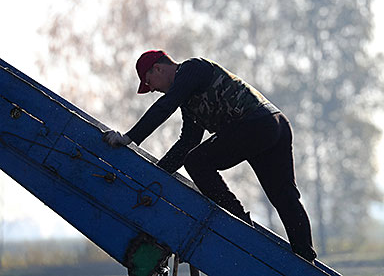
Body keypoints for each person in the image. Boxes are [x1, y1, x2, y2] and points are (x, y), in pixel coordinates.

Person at [103, 50, 317, 263]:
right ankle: (306, 258)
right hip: (273, 124)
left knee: (197, 161)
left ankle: (237, 221)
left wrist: (129, 138)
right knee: (284, 195)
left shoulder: (192, 68)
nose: (153, 90)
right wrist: (158, 174)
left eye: (150, 83)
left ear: (158, 68)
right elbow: (188, 142)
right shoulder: (189, 97)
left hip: (257, 125)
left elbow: (164, 107)